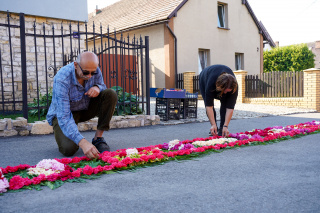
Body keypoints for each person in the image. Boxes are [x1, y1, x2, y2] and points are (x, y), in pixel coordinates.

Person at [46, 51, 118, 159]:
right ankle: (72, 138)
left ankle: (98, 139)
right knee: (68, 149)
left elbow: (102, 85)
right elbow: (64, 116)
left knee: (110, 94)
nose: (89, 76)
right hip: (65, 114)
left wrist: (97, 87)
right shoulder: (62, 79)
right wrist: (83, 142)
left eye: (92, 73)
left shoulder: (94, 69)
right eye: (85, 72)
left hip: (85, 108)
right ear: (76, 65)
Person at [199, 64, 238, 137]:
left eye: (228, 91)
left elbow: (230, 108)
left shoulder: (234, 87)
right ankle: (214, 128)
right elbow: (209, 106)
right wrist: (213, 124)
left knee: (225, 103)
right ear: (219, 87)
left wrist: (225, 126)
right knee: (209, 103)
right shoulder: (211, 83)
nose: (226, 93)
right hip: (205, 77)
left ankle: (222, 129)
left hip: (221, 82)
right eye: (225, 91)